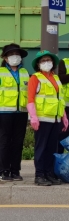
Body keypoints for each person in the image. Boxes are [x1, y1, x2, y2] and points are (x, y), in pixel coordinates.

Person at [27, 51, 68, 186]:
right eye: (43, 60)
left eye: (49, 60)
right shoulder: (35, 78)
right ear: (38, 64)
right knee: (41, 148)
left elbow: (60, 99)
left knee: (52, 148)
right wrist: (33, 117)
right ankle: (39, 175)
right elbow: (30, 99)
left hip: (55, 119)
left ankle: (49, 174)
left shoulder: (56, 78)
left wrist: (64, 116)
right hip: (42, 119)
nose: (47, 62)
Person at [0, 44, 30, 182]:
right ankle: (4, 170)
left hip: (21, 112)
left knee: (18, 142)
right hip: (4, 112)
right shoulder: (1, 72)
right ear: (5, 58)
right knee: (4, 141)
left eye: (17, 54)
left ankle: (15, 170)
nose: (15, 57)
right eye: (11, 54)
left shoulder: (24, 72)